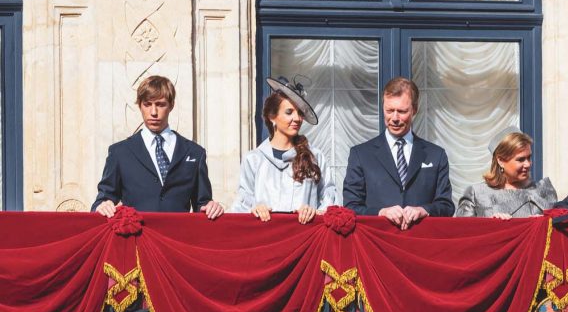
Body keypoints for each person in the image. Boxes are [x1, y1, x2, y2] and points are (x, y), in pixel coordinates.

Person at [92, 75, 223, 219]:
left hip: (176, 238)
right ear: (139, 105)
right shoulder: (120, 152)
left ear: (171, 105)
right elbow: (103, 199)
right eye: (147, 104)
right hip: (136, 238)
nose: (153, 112)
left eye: (160, 104)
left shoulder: (195, 152)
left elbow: (202, 204)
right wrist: (103, 205)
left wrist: (211, 207)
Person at [343, 77, 454, 229]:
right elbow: (350, 206)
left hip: (420, 244)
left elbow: (446, 205)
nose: (394, 118)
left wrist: (424, 210)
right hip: (376, 244)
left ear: (414, 110)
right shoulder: (360, 155)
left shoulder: (436, 155)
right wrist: (380, 212)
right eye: (389, 110)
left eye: (402, 111)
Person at [231, 77, 337, 223]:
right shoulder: (253, 160)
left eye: (300, 113)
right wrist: (254, 209)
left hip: (305, 238)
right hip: (267, 240)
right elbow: (241, 207)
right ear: (272, 117)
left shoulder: (315, 157)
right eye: (289, 112)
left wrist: (316, 212)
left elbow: (330, 199)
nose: (297, 118)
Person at [456, 130, 558, 218]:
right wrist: (490, 225)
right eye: (521, 159)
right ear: (501, 160)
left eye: (529, 158)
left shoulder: (543, 191)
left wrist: (544, 223)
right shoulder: (477, 194)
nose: (528, 164)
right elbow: (463, 233)